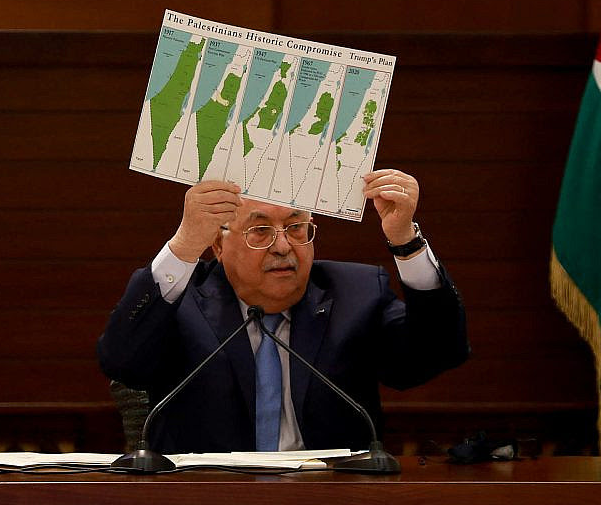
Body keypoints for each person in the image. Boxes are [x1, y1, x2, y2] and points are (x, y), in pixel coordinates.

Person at [97, 168, 468, 453]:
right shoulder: (180, 300)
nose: (282, 246)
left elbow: (437, 352)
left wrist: (405, 241)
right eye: (259, 231)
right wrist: (183, 246)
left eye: (296, 227)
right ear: (218, 246)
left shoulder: (355, 294)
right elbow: (122, 360)